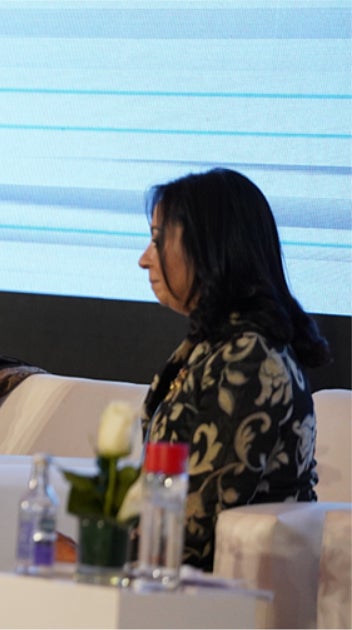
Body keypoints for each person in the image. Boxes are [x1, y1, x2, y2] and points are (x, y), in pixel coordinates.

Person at [137, 167, 330, 571]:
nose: (144, 259)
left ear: (210, 247)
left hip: (219, 595)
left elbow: (192, 532)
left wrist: (94, 553)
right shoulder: (215, 347)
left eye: (157, 240)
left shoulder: (250, 362)